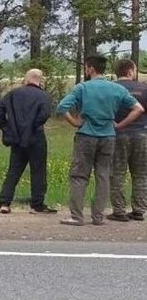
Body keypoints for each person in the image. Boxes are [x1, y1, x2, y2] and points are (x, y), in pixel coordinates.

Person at [57, 54, 145, 226]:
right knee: (103, 175)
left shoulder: (83, 87)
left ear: (90, 69)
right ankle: (98, 217)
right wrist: (119, 125)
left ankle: (76, 216)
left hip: (86, 135)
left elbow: (62, 106)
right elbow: (138, 108)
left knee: (79, 176)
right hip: (108, 135)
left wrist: (75, 122)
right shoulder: (117, 89)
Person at [0, 69, 55, 214]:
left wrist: (6, 127)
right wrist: (34, 125)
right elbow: (45, 114)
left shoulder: (13, 94)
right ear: (40, 80)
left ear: (26, 79)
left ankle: (5, 202)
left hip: (16, 137)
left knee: (14, 170)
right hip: (36, 136)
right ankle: (37, 204)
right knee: (38, 170)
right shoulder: (44, 96)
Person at [108, 58, 147, 222]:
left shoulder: (111, 89)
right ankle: (139, 209)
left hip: (118, 135)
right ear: (131, 70)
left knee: (117, 173)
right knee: (141, 174)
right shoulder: (144, 88)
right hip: (142, 134)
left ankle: (119, 210)